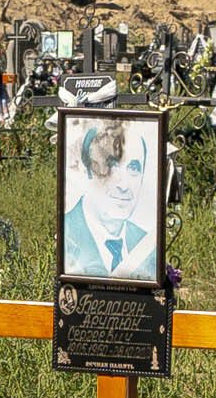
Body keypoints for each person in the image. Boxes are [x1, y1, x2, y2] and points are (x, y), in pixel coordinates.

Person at [65, 119, 159, 280]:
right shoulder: (64, 234)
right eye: (111, 165)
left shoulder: (147, 245)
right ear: (87, 170)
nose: (123, 185)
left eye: (134, 168)